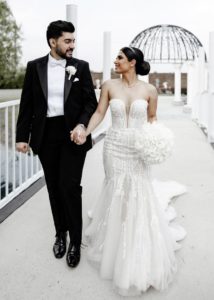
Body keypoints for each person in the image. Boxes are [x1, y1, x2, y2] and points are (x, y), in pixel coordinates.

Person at [72, 47, 186, 295]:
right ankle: (114, 237)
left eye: (120, 58)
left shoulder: (150, 90)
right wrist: (85, 130)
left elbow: (152, 118)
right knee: (115, 188)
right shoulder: (108, 85)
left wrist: (156, 141)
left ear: (132, 62)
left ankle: (135, 242)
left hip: (138, 149)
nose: (115, 61)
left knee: (137, 191)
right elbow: (100, 113)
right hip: (113, 147)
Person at [16, 20, 97, 268]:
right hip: (45, 134)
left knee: (70, 187)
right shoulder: (34, 67)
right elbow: (27, 104)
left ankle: (75, 241)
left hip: (73, 134)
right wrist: (22, 137)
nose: (73, 45)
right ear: (53, 42)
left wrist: (82, 125)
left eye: (74, 40)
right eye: (68, 40)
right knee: (53, 187)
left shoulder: (80, 67)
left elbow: (90, 104)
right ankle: (60, 234)